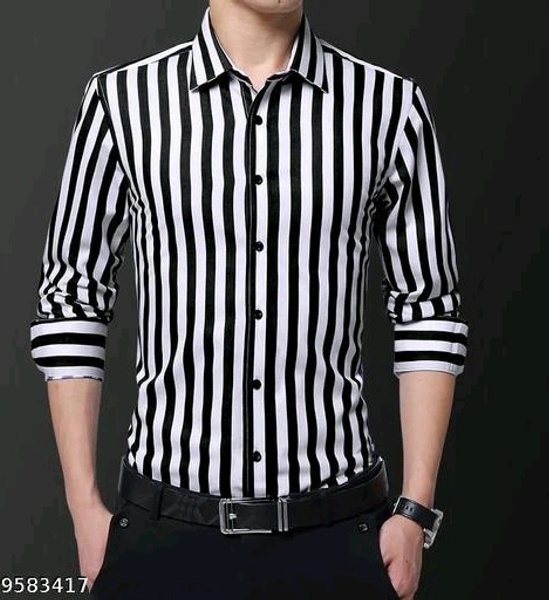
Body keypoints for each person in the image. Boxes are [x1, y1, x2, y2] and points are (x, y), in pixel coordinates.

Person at [28, 1, 469, 598]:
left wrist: (415, 511)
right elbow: (72, 298)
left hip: (340, 536)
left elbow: (428, 307)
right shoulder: (122, 103)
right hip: (163, 537)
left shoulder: (389, 107)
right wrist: (84, 507)